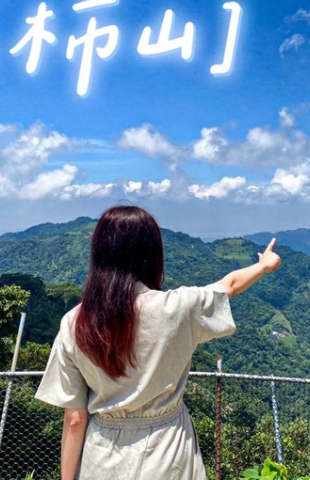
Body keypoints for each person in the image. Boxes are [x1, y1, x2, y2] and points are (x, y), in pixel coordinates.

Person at [35, 205, 281, 480]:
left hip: (103, 456)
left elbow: (75, 419)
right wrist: (264, 265)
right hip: (169, 453)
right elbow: (230, 285)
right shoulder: (176, 308)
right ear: (152, 255)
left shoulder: (75, 322)